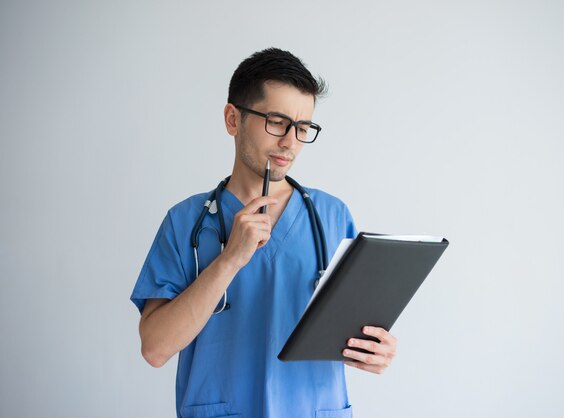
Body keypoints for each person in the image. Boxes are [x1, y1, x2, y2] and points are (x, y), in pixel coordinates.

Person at [130, 48, 398, 418]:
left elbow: (356, 331)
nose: (290, 141)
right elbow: (155, 349)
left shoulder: (332, 217)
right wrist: (230, 259)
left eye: (303, 128)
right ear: (232, 119)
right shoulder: (184, 221)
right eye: (277, 121)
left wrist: (375, 351)